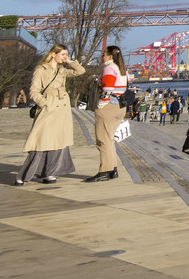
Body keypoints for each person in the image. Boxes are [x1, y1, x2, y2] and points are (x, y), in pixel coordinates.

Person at [16, 45, 88, 185]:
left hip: (62, 109)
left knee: (58, 141)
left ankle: (49, 173)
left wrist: (69, 61)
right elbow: (34, 91)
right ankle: (23, 175)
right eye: (62, 54)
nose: (64, 57)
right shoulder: (41, 69)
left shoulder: (62, 70)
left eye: (66, 54)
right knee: (41, 142)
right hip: (49, 108)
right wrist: (45, 104)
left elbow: (81, 71)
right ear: (53, 54)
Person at [84, 45, 130, 183]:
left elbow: (108, 89)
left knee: (103, 140)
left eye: (103, 54)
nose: (101, 57)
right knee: (109, 140)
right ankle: (112, 168)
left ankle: (104, 170)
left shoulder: (109, 69)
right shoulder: (122, 70)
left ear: (110, 57)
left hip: (109, 106)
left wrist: (101, 104)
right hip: (120, 106)